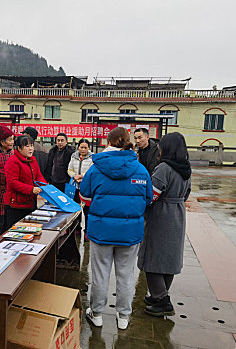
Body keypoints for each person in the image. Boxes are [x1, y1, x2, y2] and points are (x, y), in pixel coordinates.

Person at [80, 127, 152, 330]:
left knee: (100, 273)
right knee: (126, 274)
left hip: (101, 231)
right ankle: (123, 317)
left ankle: (97, 313)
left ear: (107, 143)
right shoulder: (140, 169)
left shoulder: (95, 168)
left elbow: (85, 197)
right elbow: (147, 199)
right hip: (130, 233)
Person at [137, 132, 191, 317]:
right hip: (177, 214)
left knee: (152, 257)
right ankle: (159, 295)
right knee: (169, 257)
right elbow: (186, 194)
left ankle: (162, 300)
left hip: (161, 216)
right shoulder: (185, 169)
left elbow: (151, 196)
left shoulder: (163, 168)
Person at [3, 134, 46, 231]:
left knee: (30, 231)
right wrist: (31, 189)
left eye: (32, 146)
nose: (30, 149)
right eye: (27, 146)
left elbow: (39, 177)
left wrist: (47, 189)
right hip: (16, 206)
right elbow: (13, 182)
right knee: (14, 232)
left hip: (30, 203)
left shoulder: (32, 160)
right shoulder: (13, 161)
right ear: (18, 148)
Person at [67, 138, 93, 238]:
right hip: (75, 187)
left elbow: (91, 171)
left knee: (87, 211)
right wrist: (74, 176)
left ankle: (87, 231)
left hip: (86, 188)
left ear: (88, 148)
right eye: (81, 147)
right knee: (76, 209)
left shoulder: (92, 158)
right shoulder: (74, 156)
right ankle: (77, 229)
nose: (83, 150)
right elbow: (69, 169)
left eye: (85, 147)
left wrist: (81, 176)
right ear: (78, 147)